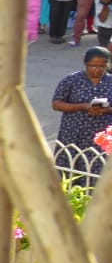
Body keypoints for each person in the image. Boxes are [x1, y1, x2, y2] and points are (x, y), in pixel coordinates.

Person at [52, 45, 112, 177]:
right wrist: (83, 106)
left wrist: (106, 110)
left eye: (102, 66)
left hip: (100, 137)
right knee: (69, 168)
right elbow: (56, 104)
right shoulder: (71, 80)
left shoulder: (110, 82)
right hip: (73, 133)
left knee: (95, 170)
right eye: (93, 66)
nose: (97, 70)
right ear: (85, 63)